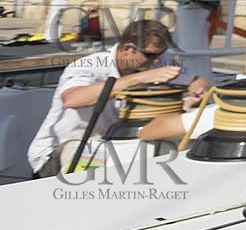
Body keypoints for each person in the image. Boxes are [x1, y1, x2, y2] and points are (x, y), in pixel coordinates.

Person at [26, 19, 199, 177]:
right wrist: (138, 78)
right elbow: (73, 99)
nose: (155, 61)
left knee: (178, 149)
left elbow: (199, 83)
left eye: (160, 55)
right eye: (149, 55)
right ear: (127, 49)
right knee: (93, 159)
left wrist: (195, 94)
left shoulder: (155, 59)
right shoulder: (89, 66)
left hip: (113, 145)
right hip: (59, 151)